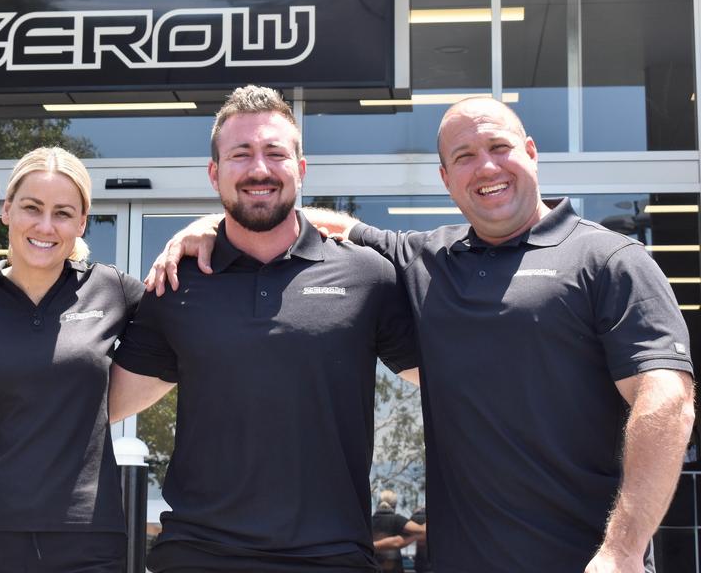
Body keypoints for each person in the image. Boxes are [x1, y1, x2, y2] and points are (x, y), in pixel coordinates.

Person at [150, 96, 696, 573]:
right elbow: (299, 220)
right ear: (445, 178)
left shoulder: (607, 259)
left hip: (584, 560)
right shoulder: (425, 259)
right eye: (463, 157)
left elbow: (667, 401)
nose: (485, 167)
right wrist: (206, 227)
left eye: (499, 148)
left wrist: (624, 548)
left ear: (531, 151)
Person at [109, 85, 419, 572]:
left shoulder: (368, 276)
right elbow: (102, 405)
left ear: (301, 167)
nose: (259, 169)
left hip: (331, 556)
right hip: (198, 556)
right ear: (214, 173)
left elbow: (451, 386)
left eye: (275, 152)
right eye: (241, 154)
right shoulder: (175, 284)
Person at [0, 147, 144, 573]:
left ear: (81, 222)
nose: (45, 226)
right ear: (6, 210)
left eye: (62, 213)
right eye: (31, 208)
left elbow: (189, 328)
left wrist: (208, 229)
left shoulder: (111, 290)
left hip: (86, 541)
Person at [370, 490, 422, 573]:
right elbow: (421, 531)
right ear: (395, 504)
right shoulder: (398, 520)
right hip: (394, 568)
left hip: (373, 567)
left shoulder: (369, 521)